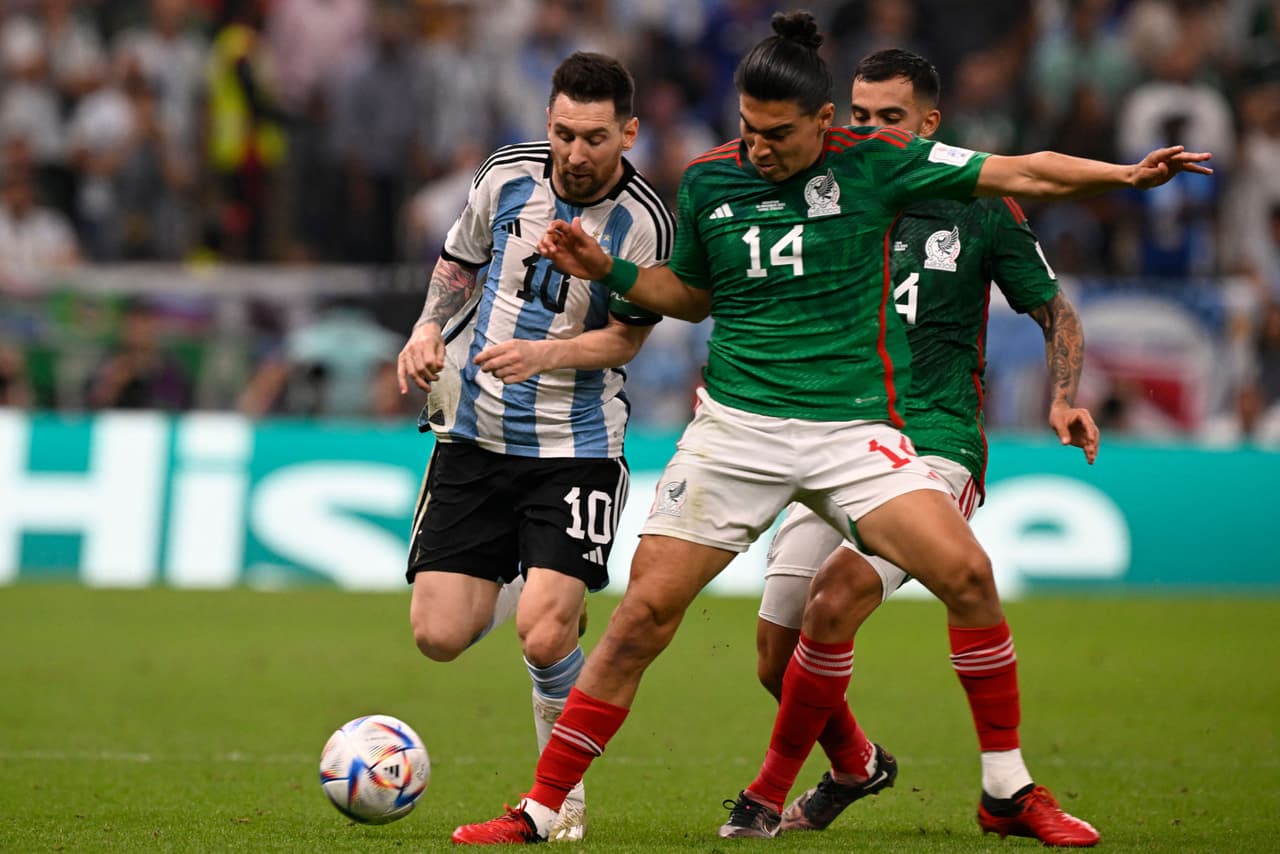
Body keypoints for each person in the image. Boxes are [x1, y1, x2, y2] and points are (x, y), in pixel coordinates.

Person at [450, 11, 1210, 846]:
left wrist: (1126, 177)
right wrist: (615, 270)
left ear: (821, 125)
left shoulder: (882, 169)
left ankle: (1004, 790)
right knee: (642, 619)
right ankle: (540, 809)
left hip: (853, 432)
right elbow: (693, 297)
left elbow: (1025, 169)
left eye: (777, 134)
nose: (759, 148)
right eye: (747, 128)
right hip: (736, 428)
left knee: (967, 574)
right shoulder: (709, 181)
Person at [747, 48, 1099, 845]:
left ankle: (769, 798)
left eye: (891, 119)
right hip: (835, 435)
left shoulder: (978, 208)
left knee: (834, 601)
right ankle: (856, 764)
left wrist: (1064, 395)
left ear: (930, 126)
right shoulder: (821, 195)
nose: (872, 132)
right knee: (775, 657)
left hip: (934, 443)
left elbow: (1055, 312)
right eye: (860, 117)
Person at [395, 51, 672, 843]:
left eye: (593, 138)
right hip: (475, 436)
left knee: (547, 631)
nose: (575, 154)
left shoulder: (646, 224)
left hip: (576, 443)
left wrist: (546, 355)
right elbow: (460, 262)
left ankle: (560, 797)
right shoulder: (505, 177)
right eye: (562, 134)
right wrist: (425, 330)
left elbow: (623, 340)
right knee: (439, 636)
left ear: (628, 132)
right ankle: (533, 578)